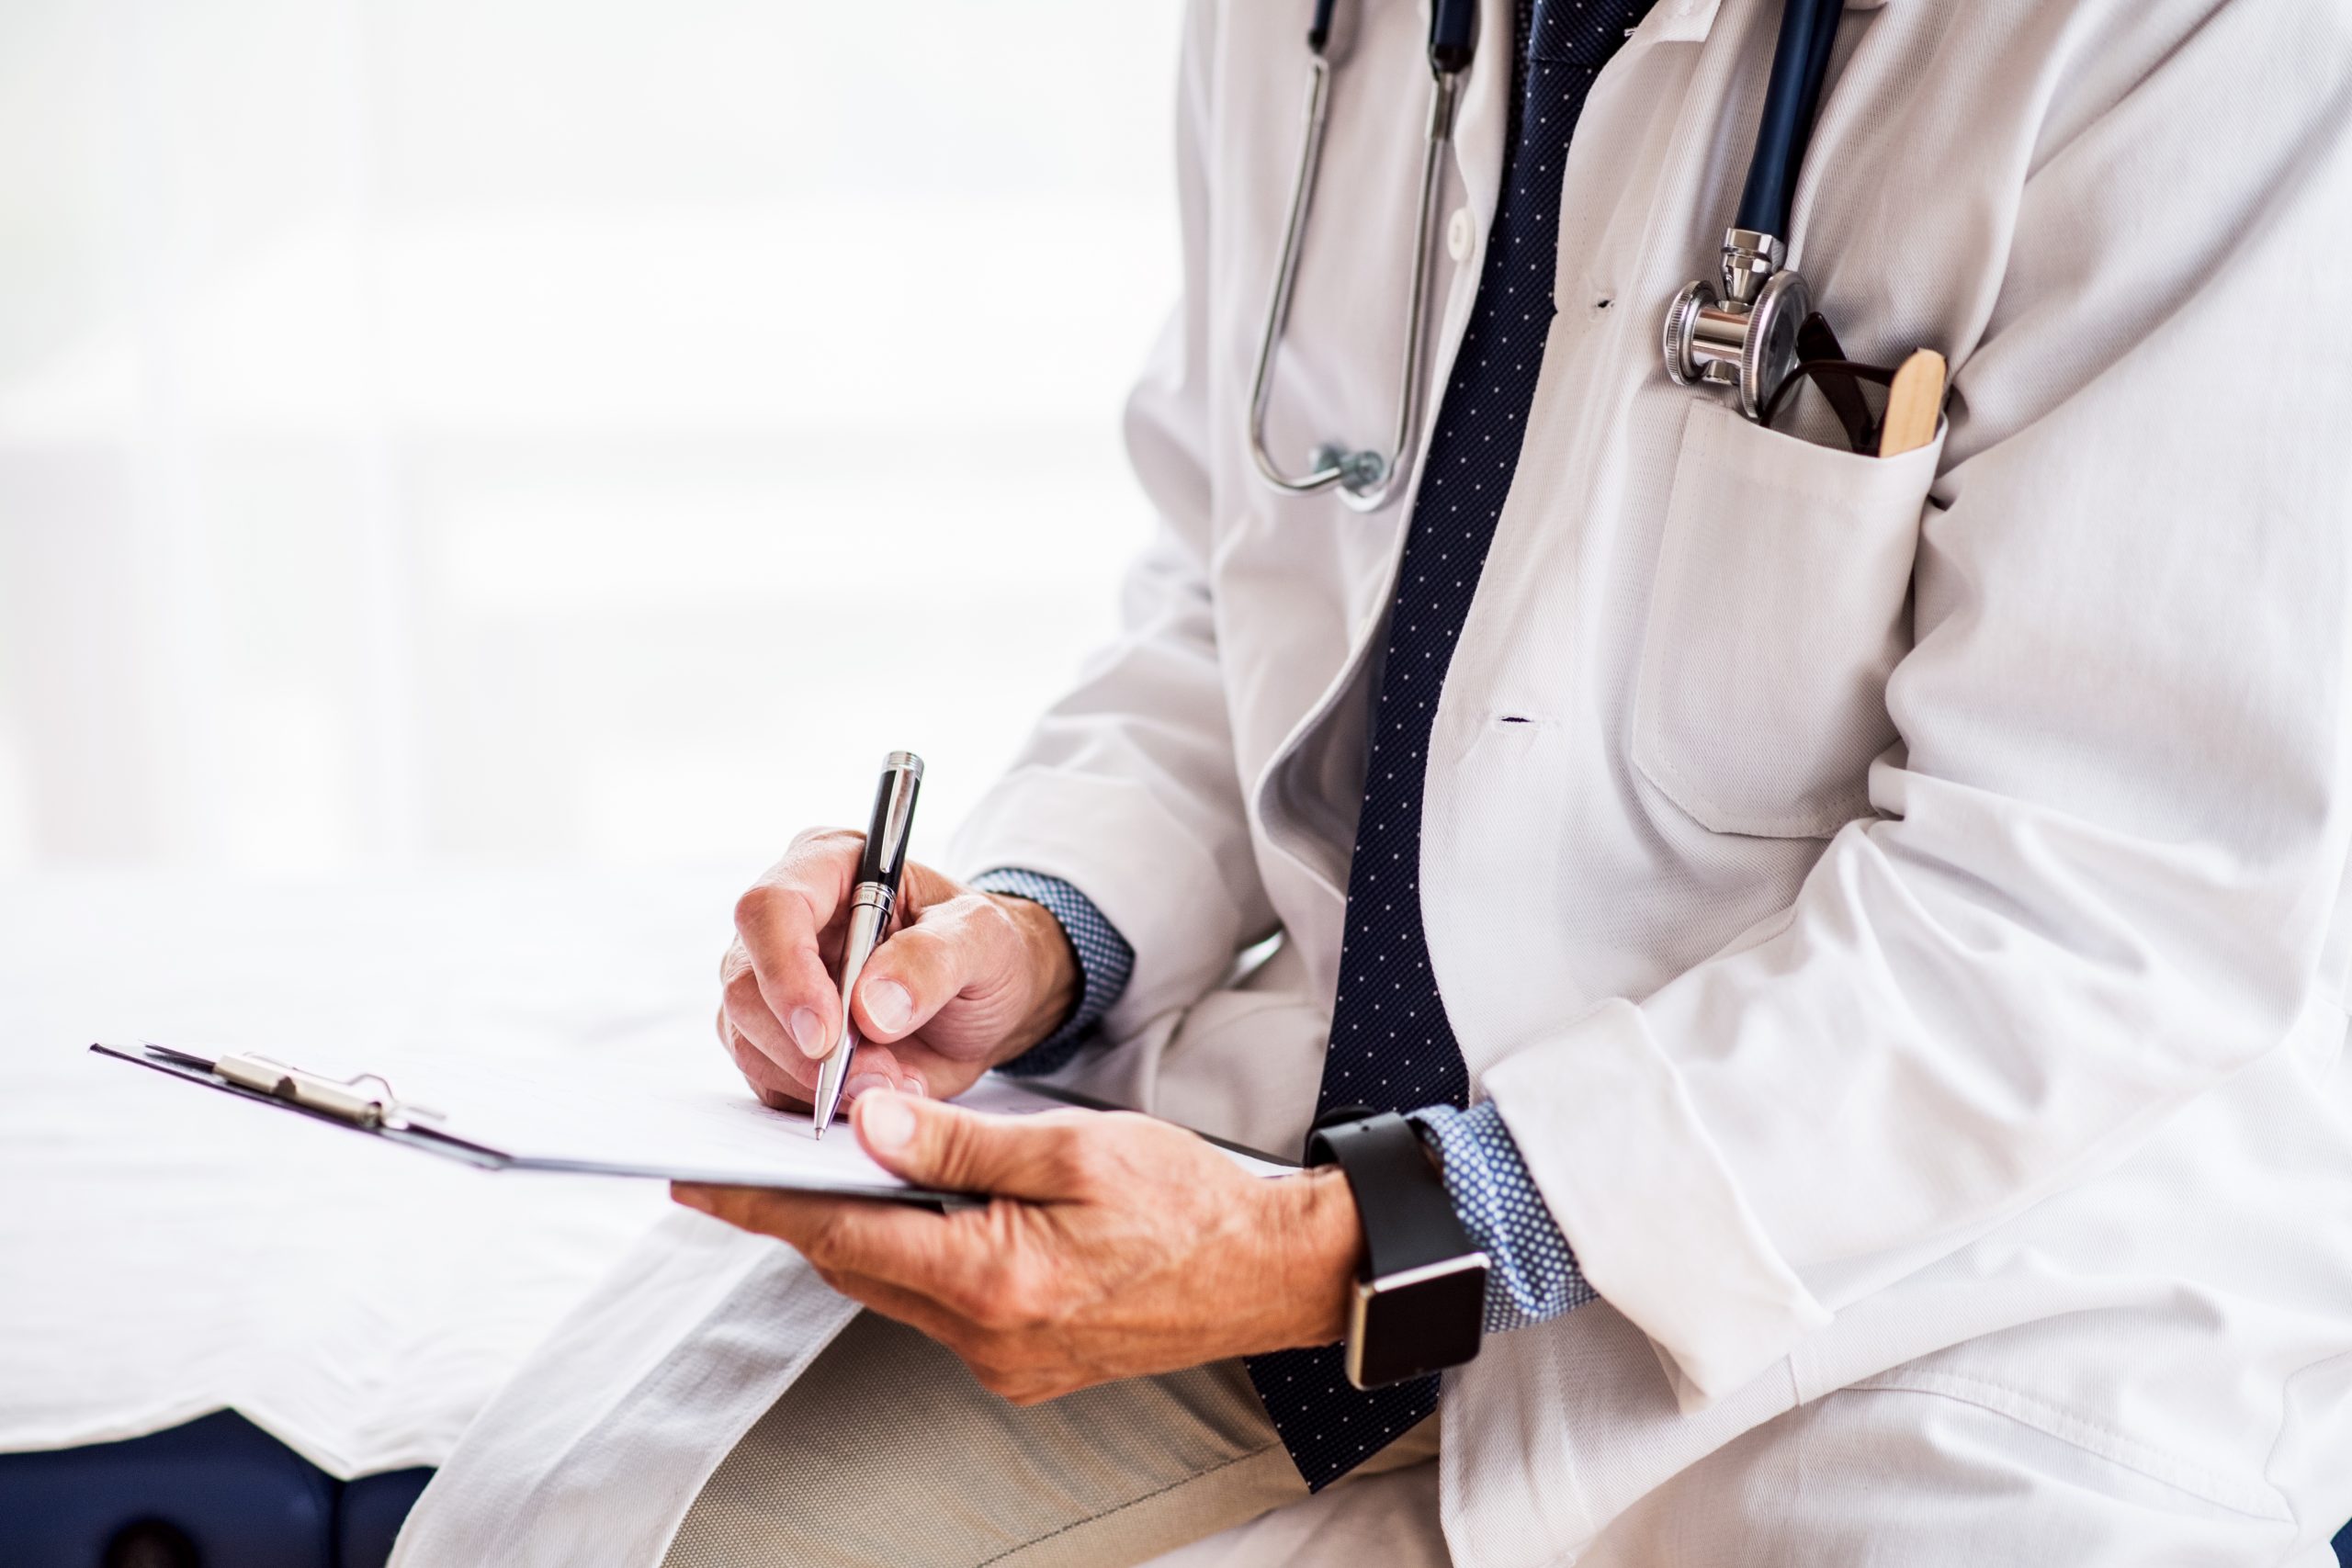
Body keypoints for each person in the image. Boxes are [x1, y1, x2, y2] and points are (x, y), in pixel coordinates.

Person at [394, 0, 2352, 1563]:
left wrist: (1400, 1235)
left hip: (1924, 1284)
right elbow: (1237, 578)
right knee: (569, 1533)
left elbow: (2097, 888)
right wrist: (1031, 926)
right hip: (1292, 1138)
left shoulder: (2193, 39)